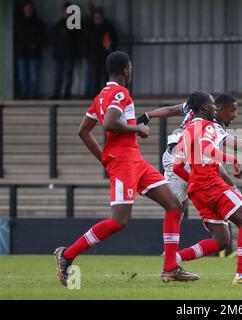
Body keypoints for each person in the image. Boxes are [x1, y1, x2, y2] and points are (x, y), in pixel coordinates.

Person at [53, 51, 199, 286]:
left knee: (174, 205)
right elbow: (110, 123)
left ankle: (170, 268)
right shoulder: (120, 92)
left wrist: (104, 158)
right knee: (119, 221)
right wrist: (137, 130)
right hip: (124, 164)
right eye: (130, 68)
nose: (131, 72)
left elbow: (84, 130)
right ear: (125, 70)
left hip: (135, 162)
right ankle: (67, 255)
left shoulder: (101, 96)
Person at [137, 94, 242, 237]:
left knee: (179, 207)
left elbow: (172, 110)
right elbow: (233, 144)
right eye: (232, 110)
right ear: (218, 109)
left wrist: (147, 116)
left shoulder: (204, 116)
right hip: (182, 159)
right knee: (178, 206)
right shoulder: (207, 121)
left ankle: (241, 221)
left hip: (185, 158)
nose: (235, 115)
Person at [172, 91, 242, 285]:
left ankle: (175, 259)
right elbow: (207, 148)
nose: (215, 108)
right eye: (213, 104)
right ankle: (241, 277)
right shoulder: (209, 126)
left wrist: (194, 181)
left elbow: (176, 166)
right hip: (210, 182)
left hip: (197, 190)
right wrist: (234, 159)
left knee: (221, 240)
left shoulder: (186, 130)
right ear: (205, 107)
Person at [15, 1, 46, 99]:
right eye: (26, 8)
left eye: (30, 8)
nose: (28, 10)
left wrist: (34, 45)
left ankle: (33, 95)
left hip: (34, 54)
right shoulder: (19, 22)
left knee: (34, 77)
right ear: (24, 10)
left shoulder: (37, 22)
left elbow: (41, 37)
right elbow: (17, 38)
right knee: (23, 77)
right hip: (22, 54)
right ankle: (24, 94)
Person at [49, 2, 81, 99]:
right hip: (60, 54)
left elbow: (78, 40)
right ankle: (57, 93)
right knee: (59, 75)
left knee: (68, 75)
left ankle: (67, 94)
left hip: (70, 54)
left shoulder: (76, 25)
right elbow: (52, 38)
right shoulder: (59, 24)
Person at [87, 7, 118, 95]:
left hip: (105, 55)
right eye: (96, 17)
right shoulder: (90, 26)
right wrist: (87, 53)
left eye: (99, 17)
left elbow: (114, 38)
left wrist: (111, 49)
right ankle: (95, 94)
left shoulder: (108, 26)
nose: (98, 19)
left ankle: (105, 94)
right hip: (93, 55)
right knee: (94, 75)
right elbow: (85, 41)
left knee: (105, 76)